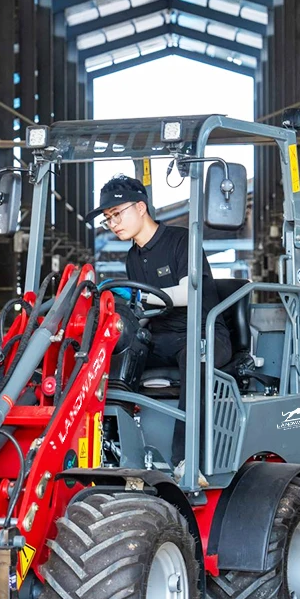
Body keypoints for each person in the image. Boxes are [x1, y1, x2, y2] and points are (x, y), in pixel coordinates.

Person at [86, 175, 232, 484]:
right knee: (113, 358)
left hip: (204, 332)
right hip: (163, 336)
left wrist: (139, 296)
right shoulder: (133, 257)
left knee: (194, 356)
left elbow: (186, 294)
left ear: (140, 207)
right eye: (108, 218)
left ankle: (186, 460)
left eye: (117, 214)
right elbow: (146, 314)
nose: (113, 223)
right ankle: (116, 451)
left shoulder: (181, 240)